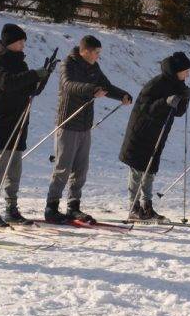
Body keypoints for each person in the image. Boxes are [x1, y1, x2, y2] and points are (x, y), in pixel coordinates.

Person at [44, 35, 132, 224]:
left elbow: (106, 87)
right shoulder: (68, 64)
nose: (98, 56)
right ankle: (51, 207)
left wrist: (122, 95)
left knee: (81, 169)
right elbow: (69, 85)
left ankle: (73, 207)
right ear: (85, 51)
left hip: (85, 125)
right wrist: (91, 90)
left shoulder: (94, 67)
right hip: (68, 123)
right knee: (63, 167)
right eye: (96, 53)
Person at [0, 24, 54, 228]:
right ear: (10, 42)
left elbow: (33, 90)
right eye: (20, 41)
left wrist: (44, 75)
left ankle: (11, 208)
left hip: (19, 120)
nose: (23, 44)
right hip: (1, 121)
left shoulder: (21, 63)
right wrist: (34, 74)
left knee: (15, 169)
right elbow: (7, 83)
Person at [118, 52, 190, 223]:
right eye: (186, 71)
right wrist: (165, 102)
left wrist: (185, 98)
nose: (188, 75)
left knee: (150, 170)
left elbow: (179, 112)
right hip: (141, 131)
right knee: (138, 169)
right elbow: (146, 108)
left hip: (158, 134)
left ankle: (147, 206)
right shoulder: (156, 83)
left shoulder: (178, 85)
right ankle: (134, 207)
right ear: (176, 71)